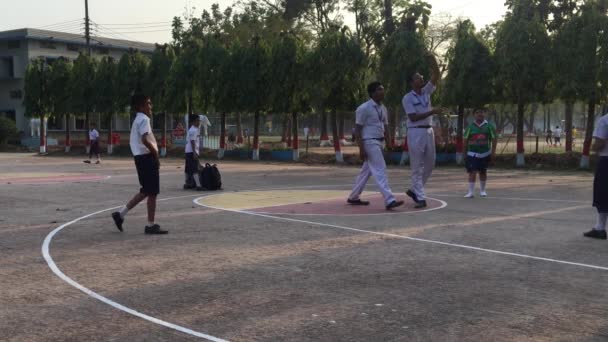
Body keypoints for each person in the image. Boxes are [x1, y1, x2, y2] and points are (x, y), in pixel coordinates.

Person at [111, 94, 167, 235]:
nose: (150, 106)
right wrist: (155, 153)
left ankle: (120, 214)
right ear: (141, 106)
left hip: (140, 158)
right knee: (152, 192)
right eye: (148, 103)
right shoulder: (144, 119)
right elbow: (144, 139)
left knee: (146, 191)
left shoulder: (137, 119)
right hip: (147, 158)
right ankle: (150, 225)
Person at [347, 82, 404, 210]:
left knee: (366, 172)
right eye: (379, 90)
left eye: (383, 89)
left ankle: (354, 196)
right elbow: (357, 129)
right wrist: (361, 149)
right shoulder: (364, 108)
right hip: (369, 142)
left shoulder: (383, 108)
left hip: (379, 142)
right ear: (372, 93)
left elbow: (386, 126)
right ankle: (389, 199)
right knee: (380, 169)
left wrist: (389, 142)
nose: (383, 92)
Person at [403, 52, 444, 208]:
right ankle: (420, 197)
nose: (421, 78)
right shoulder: (407, 98)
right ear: (412, 82)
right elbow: (413, 117)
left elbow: (436, 76)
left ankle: (414, 190)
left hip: (428, 131)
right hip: (415, 132)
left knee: (430, 163)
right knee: (416, 165)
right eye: (418, 77)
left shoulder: (426, 91)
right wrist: (432, 112)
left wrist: (432, 60)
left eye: (421, 76)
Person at [463, 107, 497, 198]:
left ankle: (482, 191)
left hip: (485, 154)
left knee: (483, 172)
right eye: (477, 112)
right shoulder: (470, 127)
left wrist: (493, 153)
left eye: (481, 112)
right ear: (474, 115)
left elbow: (494, 139)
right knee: (472, 172)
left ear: (485, 114)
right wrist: (464, 153)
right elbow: (465, 140)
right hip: (472, 154)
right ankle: (470, 192)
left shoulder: (489, 126)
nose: (479, 114)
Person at [584, 113, 608, 239]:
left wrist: (593, 147)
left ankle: (600, 228)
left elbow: (600, 143)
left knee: (602, 194)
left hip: (606, 160)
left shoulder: (605, 120)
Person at [184, 114, 203, 190]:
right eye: (197, 121)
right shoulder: (193, 130)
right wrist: (195, 152)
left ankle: (187, 183)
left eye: (199, 120)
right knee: (195, 169)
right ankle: (198, 186)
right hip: (191, 151)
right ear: (193, 122)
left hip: (188, 151)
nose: (199, 122)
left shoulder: (193, 129)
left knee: (188, 168)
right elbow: (192, 141)